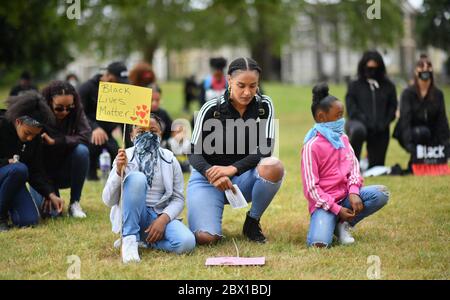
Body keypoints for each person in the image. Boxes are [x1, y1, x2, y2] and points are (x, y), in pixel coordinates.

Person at [187, 57, 284, 245]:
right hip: (208, 177)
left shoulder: (264, 105)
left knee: (273, 166)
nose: (247, 92)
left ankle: (252, 222)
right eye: (241, 85)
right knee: (206, 239)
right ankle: (207, 219)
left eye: (253, 86)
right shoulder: (210, 108)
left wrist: (232, 169)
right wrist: (211, 173)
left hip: (242, 176)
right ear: (229, 80)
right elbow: (193, 151)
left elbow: (266, 148)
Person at [301, 83, 389, 248]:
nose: (342, 120)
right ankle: (330, 223)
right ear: (321, 117)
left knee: (381, 194)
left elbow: (354, 168)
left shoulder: (343, 139)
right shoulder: (311, 146)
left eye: (343, 115)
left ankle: (343, 225)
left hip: (347, 198)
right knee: (319, 244)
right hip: (325, 205)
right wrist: (336, 209)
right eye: (338, 115)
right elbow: (311, 189)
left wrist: (354, 192)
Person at [102, 114, 196, 263]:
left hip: (158, 215)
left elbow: (178, 198)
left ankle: (146, 241)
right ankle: (130, 239)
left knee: (187, 243)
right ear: (132, 136)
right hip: (132, 216)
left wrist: (163, 220)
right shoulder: (123, 157)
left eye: (153, 131)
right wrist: (119, 172)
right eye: (141, 132)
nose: (147, 135)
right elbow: (108, 200)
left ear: (160, 134)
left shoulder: (170, 159)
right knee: (138, 178)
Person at [0, 92, 64, 231]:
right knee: (19, 169)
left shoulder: (35, 139)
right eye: (27, 133)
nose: (30, 139)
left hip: (12, 181)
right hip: (7, 172)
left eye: (34, 135)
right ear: (18, 121)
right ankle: (1, 217)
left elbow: (35, 170)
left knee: (29, 220)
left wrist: (50, 194)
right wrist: (5, 162)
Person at [29, 81, 91, 218]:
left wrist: (58, 141)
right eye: (59, 108)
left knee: (82, 151)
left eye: (69, 107)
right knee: (52, 215)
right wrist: (47, 193)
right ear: (49, 102)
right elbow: (33, 162)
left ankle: (75, 203)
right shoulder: (37, 115)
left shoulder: (76, 111)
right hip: (43, 173)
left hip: (64, 170)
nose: (65, 112)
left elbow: (86, 136)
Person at [393, 55, 450, 168]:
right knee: (423, 132)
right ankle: (415, 158)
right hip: (411, 133)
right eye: (421, 66)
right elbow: (405, 121)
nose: (425, 69)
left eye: (428, 66)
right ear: (416, 71)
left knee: (432, 133)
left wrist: (446, 144)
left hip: (431, 133)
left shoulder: (438, 94)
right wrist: (410, 145)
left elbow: (442, 121)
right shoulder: (408, 93)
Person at [345, 50, 398, 168]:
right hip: (358, 124)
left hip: (380, 127)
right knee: (358, 131)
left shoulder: (389, 86)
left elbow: (392, 108)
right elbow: (351, 109)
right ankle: (353, 165)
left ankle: (368, 162)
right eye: (368, 68)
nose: (371, 71)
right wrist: (366, 121)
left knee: (376, 167)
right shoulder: (354, 85)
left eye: (375, 68)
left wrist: (383, 123)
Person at [78, 61, 128, 180]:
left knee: (117, 153)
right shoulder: (87, 88)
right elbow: (79, 114)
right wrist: (94, 128)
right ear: (109, 77)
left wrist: (129, 146)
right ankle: (89, 174)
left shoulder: (122, 90)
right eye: (118, 81)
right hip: (88, 134)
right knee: (93, 145)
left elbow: (125, 119)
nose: (121, 84)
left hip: (108, 135)